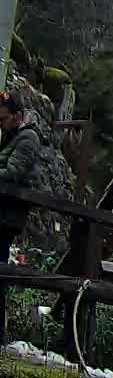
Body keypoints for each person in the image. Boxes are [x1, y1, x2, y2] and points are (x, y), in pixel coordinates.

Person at [0, 91, 42, 262]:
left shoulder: (28, 138)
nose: (0, 124)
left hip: (7, 214)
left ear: (16, 116)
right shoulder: (13, 135)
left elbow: (12, 173)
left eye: (2, 119)